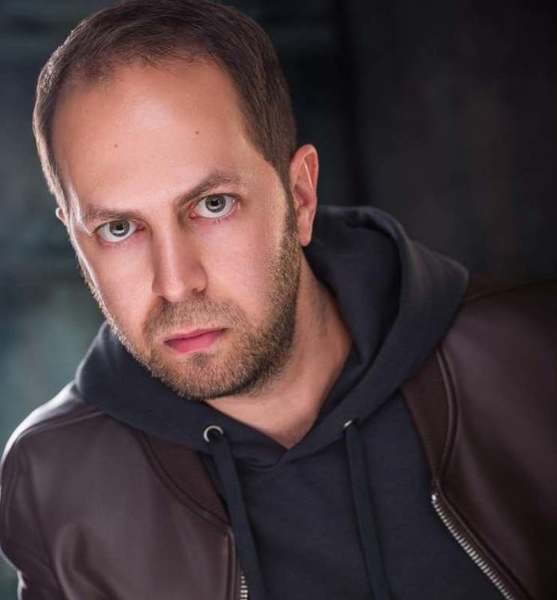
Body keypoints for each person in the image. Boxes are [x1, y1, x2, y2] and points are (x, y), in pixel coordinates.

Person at [1, 1, 555, 599]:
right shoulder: (52, 480)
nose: (176, 283)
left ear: (300, 196)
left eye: (213, 205)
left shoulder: (533, 360)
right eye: (118, 229)